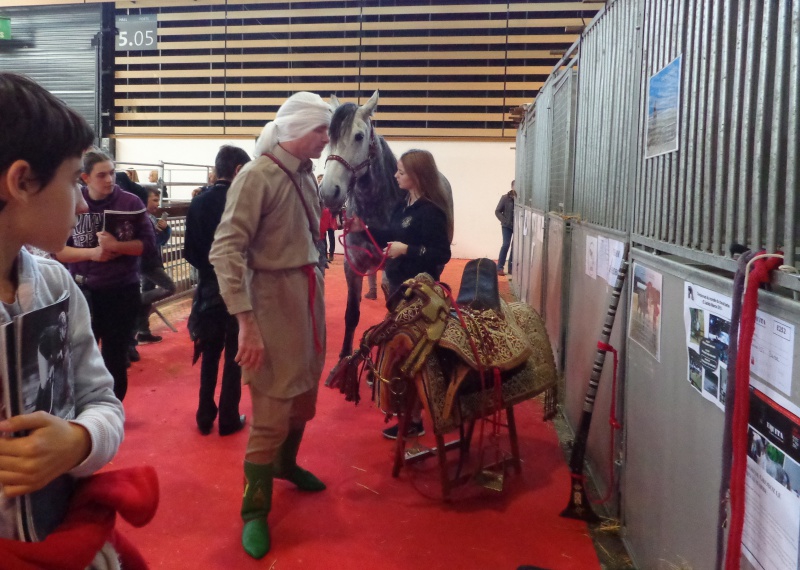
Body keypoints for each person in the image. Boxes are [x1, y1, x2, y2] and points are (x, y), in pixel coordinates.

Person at [0, 71, 126, 565]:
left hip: (60, 535)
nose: (80, 202)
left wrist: (76, 441)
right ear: (21, 181)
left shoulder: (56, 284)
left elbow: (102, 400)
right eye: (74, 180)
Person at [209, 92, 331, 559]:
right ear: (301, 129)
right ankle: (254, 510)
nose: (326, 139)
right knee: (272, 408)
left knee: (303, 397)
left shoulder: (305, 176)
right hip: (271, 302)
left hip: (307, 297)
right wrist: (247, 322)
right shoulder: (258, 175)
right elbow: (225, 250)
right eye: (322, 130)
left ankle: (286, 464)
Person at [353, 149, 452, 438]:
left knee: (412, 359)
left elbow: (442, 253)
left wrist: (406, 250)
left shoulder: (431, 211)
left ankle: (416, 420)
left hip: (418, 295)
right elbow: (388, 232)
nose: (395, 175)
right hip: (398, 291)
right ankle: (411, 415)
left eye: (401, 172)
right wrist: (364, 228)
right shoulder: (403, 206)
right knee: (402, 356)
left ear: (417, 175)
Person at [56, 149, 157, 402]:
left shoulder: (130, 202)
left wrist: (116, 246)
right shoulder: (73, 203)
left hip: (120, 290)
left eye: (112, 173)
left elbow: (148, 246)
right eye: (102, 175)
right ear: (85, 178)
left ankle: (112, 407)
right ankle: (81, 410)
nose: (110, 180)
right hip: (82, 290)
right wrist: (93, 253)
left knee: (115, 355)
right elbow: (59, 251)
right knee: (78, 355)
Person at [185, 145, 251, 436]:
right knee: (235, 354)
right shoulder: (244, 202)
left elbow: (189, 251)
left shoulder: (198, 202)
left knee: (209, 352)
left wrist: (208, 270)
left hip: (209, 287)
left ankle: (204, 413)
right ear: (238, 170)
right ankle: (228, 416)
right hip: (238, 285)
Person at [136, 187, 177, 344]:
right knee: (169, 287)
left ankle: (143, 332)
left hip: (151, 260)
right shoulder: (141, 219)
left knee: (148, 293)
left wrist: (165, 230)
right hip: (147, 262)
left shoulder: (151, 218)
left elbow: (160, 241)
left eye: (158, 200)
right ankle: (134, 300)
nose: (157, 204)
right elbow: (150, 242)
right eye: (154, 200)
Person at [495, 180, 516, 276]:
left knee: (514, 247)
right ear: (512, 187)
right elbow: (497, 211)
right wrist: (504, 220)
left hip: (517, 228)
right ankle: (499, 267)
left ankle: (511, 268)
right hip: (506, 226)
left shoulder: (521, 199)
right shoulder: (505, 198)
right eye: (515, 186)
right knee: (506, 244)